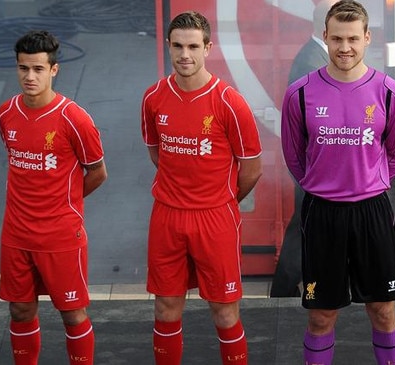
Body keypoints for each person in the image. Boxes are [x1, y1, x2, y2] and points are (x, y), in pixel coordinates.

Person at [281, 1, 395, 364]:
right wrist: (324, 184)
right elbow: (294, 156)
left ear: (367, 38)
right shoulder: (300, 93)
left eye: (353, 38)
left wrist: (368, 182)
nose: (345, 47)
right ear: (324, 37)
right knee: (321, 316)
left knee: (382, 310)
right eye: (337, 38)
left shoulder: (389, 92)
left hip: (372, 213)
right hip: (322, 214)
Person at [140, 11, 263, 365]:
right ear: (168, 46)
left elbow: (252, 169)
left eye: (193, 46)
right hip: (166, 216)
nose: (184, 55)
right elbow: (157, 153)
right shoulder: (153, 98)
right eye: (177, 46)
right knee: (165, 308)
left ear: (208, 47)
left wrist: (221, 200)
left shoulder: (229, 102)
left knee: (224, 313)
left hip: (215, 218)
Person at [0, 30, 107, 365]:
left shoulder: (74, 119)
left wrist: (64, 202)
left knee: (72, 313)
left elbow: (98, 172)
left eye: (38, 69)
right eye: (23, 68)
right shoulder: (6, 113)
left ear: (54, 70)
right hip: (16, 234)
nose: (30, 77)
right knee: (20, 309)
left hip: (60, 235)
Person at [271, 0, 338, 298]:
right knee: (305, 227)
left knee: (304, 225)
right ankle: (286, 287)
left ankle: (286, 288)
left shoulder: (315, 56)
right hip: (314, 164)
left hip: (317, 163)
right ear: (325, 29)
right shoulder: (310, 62)